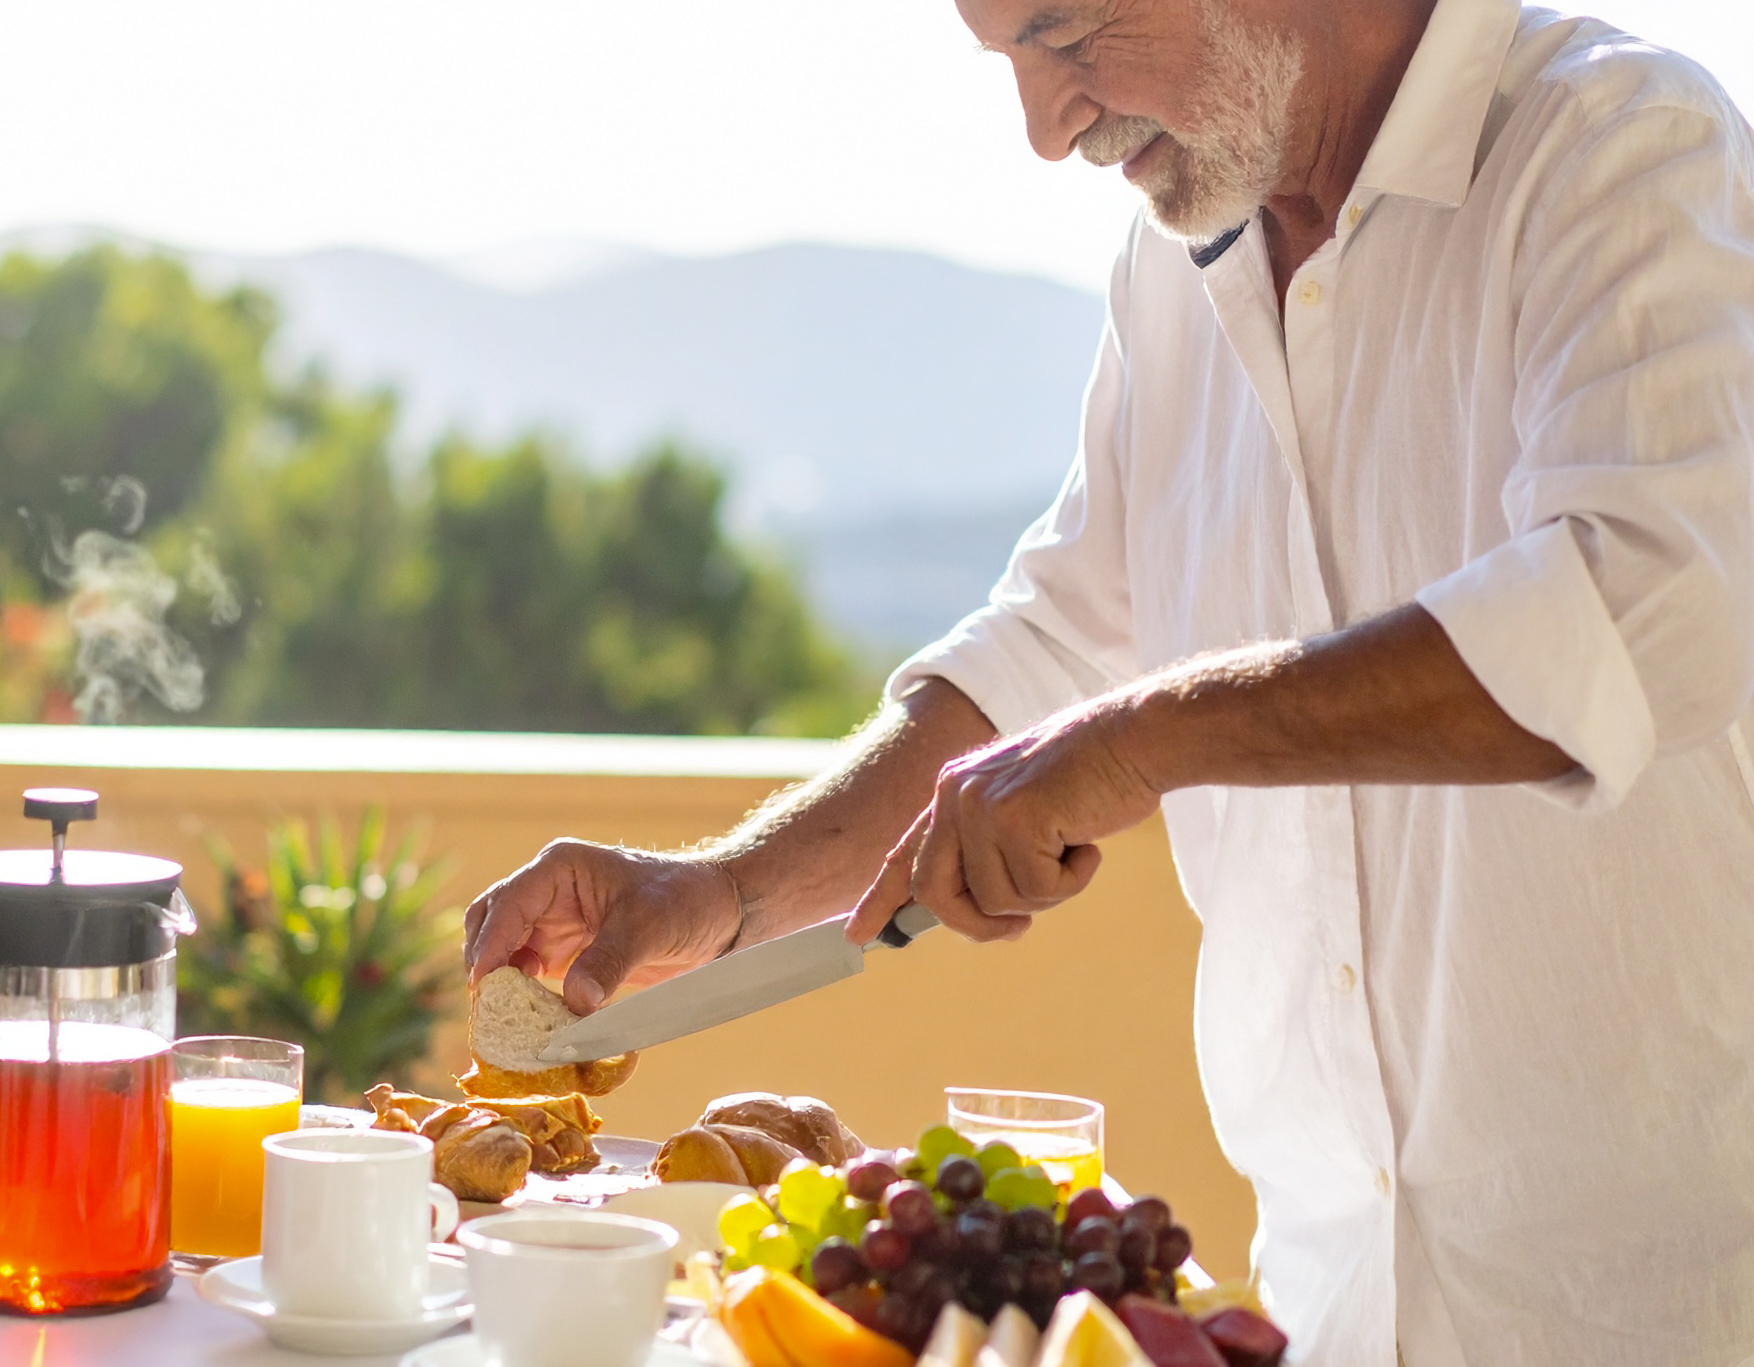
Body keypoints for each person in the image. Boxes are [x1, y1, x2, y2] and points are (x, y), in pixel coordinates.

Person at [465, 0, 1754, 1360]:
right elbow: (1054, 647)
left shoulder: (1617, 143)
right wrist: (723, 892)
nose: (1044, 128)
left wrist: (1146, 739)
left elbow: (1648, 603)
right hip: (1332, 1302)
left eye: (1068, 37)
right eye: (1009, 61)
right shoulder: (1177, 266)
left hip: (1655, 1310)